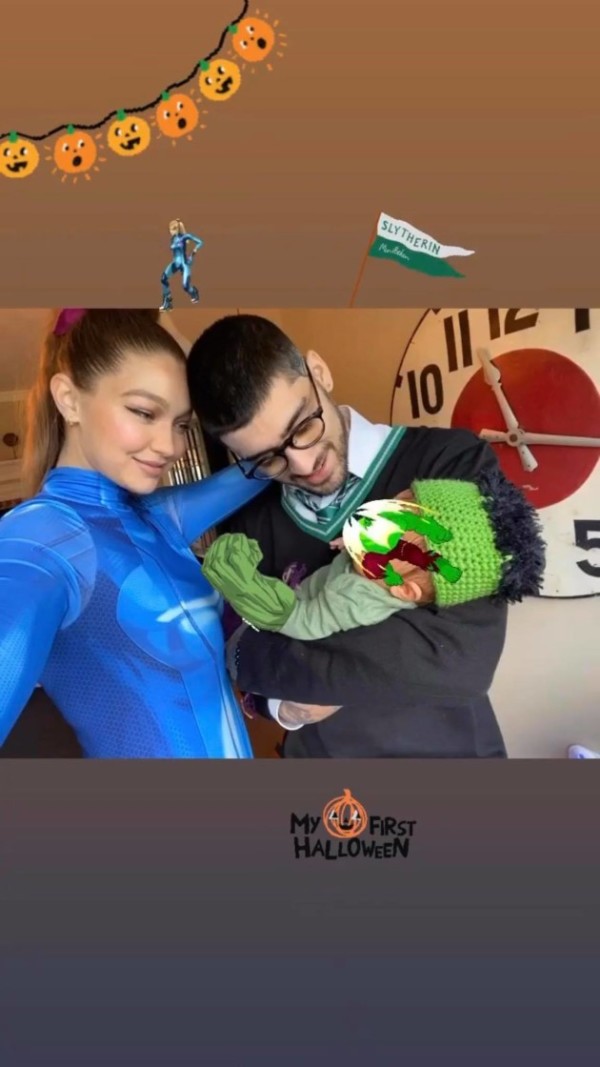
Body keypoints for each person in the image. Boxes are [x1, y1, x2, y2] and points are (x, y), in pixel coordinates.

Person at [186, 313, 532, 759]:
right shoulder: (250, 522)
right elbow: (239, 654)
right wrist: (286, 706)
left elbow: (461, 657)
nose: (303, 464)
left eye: (302, 427)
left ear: (319, 372)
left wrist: (292, 660)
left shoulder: (450, 463)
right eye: (268, 459)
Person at [0, 309, 268, 758]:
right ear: (68, 400)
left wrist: (182, 341)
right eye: (144, 412)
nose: (171, 445)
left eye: (181, 424)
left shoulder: (154, 518)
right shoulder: (43, 537)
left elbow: (268, 460)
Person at [200, 476, 545, 640]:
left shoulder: (358, 599)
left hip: (280, 614)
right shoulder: (381, 571)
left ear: (403, 590)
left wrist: (258, 595)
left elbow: (305, 621)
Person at [160, 219, 203, 311]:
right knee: (163, 279)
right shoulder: (172, 239)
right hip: (175, 263)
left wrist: (194, 252)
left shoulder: (184, 237)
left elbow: (200, 242)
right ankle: (167, 302)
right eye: (169, 229)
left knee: (185, 286)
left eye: (171, 229)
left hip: (184, 264)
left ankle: (194, 292)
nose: (170, 232)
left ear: (175, 229)